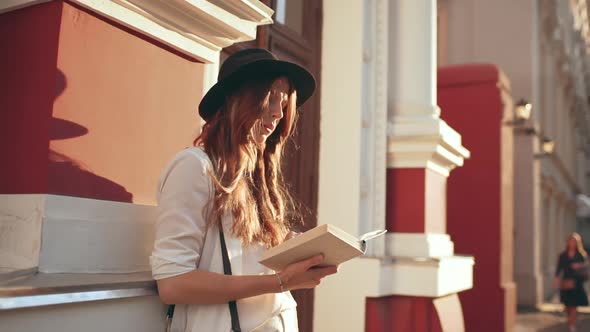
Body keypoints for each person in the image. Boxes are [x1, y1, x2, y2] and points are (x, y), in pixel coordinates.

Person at [150, 48, 337, 332]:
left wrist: (297, 250)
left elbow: (247, 261)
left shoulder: (256, 179)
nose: (278, 113)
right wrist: (281, 281)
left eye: (284, 103)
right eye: (270, 98)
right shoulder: (194, 167)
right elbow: (173, 283)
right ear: (237, 99)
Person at [553, 232, 589, 332]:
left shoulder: (581, 255)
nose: (572, 243)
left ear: (578, 243)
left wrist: (579, 266)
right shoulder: (563, 255)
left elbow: (586, 268)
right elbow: (558, 269)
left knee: (574, 306)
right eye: (571, 241)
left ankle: (572, 326)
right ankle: (570, 322)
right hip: (566, 282)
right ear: (568, 243)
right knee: (567, 306)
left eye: (574, 241)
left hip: (577, 283)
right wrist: (555, 281)